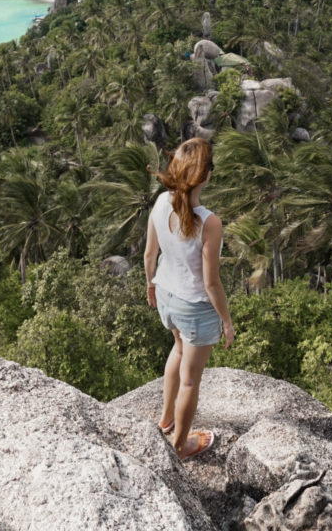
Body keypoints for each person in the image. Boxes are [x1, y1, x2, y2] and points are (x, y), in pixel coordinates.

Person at [145, 137, 235, 461]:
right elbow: (211, 283)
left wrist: (151, 285)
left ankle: (166, 420)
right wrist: (226, 321)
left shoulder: (160, 203)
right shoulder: (209, 222)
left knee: (177, 349)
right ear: (206, 176)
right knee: (190, 380)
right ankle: (180, 446)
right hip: (195, 307)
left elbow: (149, 254)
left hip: (167, 296)